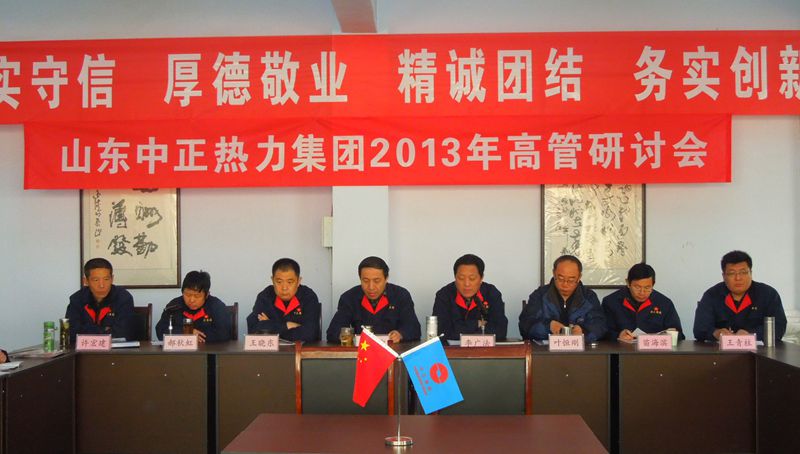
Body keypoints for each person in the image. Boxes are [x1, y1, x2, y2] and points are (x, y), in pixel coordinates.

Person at [694, 250, 787, 342]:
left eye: (743, 272)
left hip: (759, 350)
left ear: (751, 273)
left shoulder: (768, 294)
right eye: (731, 273)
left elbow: (779, 327)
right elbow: (699, 330)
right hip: (720, 350)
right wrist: (716, 333)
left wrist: (751, 334)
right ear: (724, 276)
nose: (738, 278)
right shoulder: (712, 295)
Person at [326, 256, 421, 344]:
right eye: (365, 281)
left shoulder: (400, 295)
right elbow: (333, 332)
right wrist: (347, 336)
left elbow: (414, 329)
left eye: (377, 281)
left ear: (386, 278)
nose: (371, 287)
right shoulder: (349, 298)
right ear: (360, 279)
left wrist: (400, 334)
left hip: (392, 352)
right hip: (361, 352)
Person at [519, 255, 607, 342]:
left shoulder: (588, 296)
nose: (565, 284)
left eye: (571, 280)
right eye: (561, 279)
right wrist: (548, 326)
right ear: (554, 273)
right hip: (546, 349)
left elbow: (600, 325)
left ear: (579, 277)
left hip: (580, 349)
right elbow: (525, 325)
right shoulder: (540, 295)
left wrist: (583, 331)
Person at [432, 254, 508, 340]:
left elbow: (500, 331)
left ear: (481, 278)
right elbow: (440, 332)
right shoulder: (444, 295)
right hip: (451, 349)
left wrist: (459, 328)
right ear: (455, 277)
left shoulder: (491, 293)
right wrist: (476, 324)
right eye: (461, 278)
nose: (467, 284)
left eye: (472, 278)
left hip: (485, 348)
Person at [602, 263, 684, 341]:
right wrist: (618, 335)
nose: (642, 292)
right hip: (622, 350)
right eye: (637, 287)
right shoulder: (611, 302)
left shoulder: (664, 303)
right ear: (628, 283)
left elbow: (680, 335)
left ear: (653, 285)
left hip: (654, 350)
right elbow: (602, 333)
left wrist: (668, 335)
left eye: (647, 288)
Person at [246, 258, 321, 342]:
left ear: (298, 281)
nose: (284, 288)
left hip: (301, 350)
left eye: (290, 282)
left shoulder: (308, 297)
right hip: (272, 350)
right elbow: (253, 330)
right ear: (272, 280)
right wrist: (287, 325)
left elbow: (310, 334)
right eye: (279, 282)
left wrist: (270, 326)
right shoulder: (265, 296)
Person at [65, 257, 135, 342]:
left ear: (112, 279)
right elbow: (71, 333)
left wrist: (87, 330)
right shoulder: (77, 299)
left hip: (115, 350)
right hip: (84, 350)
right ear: (86, 281)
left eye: (106, 279)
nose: (101, 285)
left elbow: (123, 333)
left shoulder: (123, 298)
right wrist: (104, 329)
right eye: (96, 280)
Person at [155, 270, 231, 343]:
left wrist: (197, 335)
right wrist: (186, 332)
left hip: (209, 350)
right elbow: (160, 331)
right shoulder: (174, 306)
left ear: (207, 295)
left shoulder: (216, 306)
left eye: (197, 296)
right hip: (181, 350)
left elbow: (224, 333)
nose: (191, 300)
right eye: (187, 295)